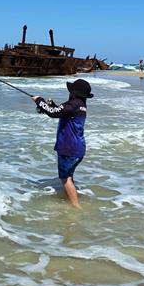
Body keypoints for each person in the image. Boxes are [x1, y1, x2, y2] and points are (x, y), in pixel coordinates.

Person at [31, 78, 92, 209]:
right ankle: (70, 198)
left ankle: (76, 207)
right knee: (69, 176)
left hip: (68, 148)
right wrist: (51, 105)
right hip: (78, 148)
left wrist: (39, 101)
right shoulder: (81, 105)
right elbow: (60, 111)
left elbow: (54, 113)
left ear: (74, 93)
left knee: (65, 178)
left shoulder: (73, 104)